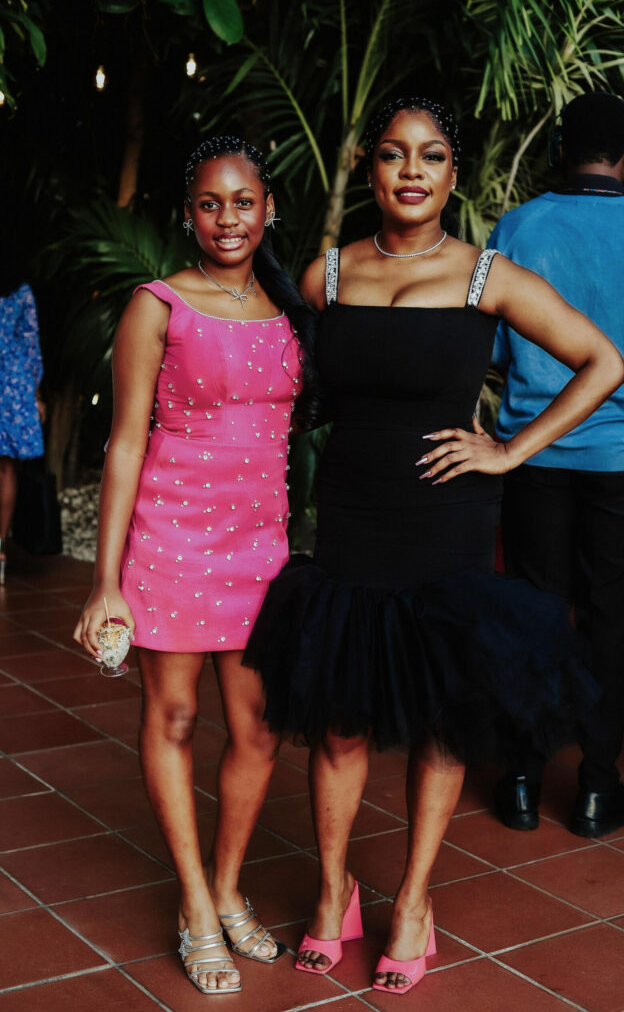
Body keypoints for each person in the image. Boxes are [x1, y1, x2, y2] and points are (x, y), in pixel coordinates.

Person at [243, 96, 624, 995]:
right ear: (370, 169)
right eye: (392, 153)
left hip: (446, 521)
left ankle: (412, 902)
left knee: (441, 724)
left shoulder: (486, 275)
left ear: (453, 173)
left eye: (431, 155)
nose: (410, 170)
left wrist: (509, 450)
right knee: (337, 721)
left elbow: (603, 361)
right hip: (351, 517)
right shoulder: (327, 275)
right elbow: (279, 384)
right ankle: (332, 891)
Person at [74, 135, 314, 996]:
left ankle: (225, 886)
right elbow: (125, 443)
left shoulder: (294, 308)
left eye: (243, 202)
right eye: (210, 204)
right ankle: (195, 906)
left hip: (261, 549)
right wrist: (105, 581)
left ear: (268, 210)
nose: (227, 218)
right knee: (173, 718)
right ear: (188, 215)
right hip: (172, 539)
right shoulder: (158, 304)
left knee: (258, 730)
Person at [489, 91, 624, 840]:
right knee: (608, 622)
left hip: (531, 452)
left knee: (534, 612)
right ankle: (597, 791)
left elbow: (497, 347)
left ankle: (520, 780)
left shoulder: (516, 227)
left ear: (559, 151)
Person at [0, 281, 46, 584]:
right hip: (12, 383)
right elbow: (30, 347)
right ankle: (0, 549)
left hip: (11, 383)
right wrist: (36, 395)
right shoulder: (20, 290)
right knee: (6, 469)